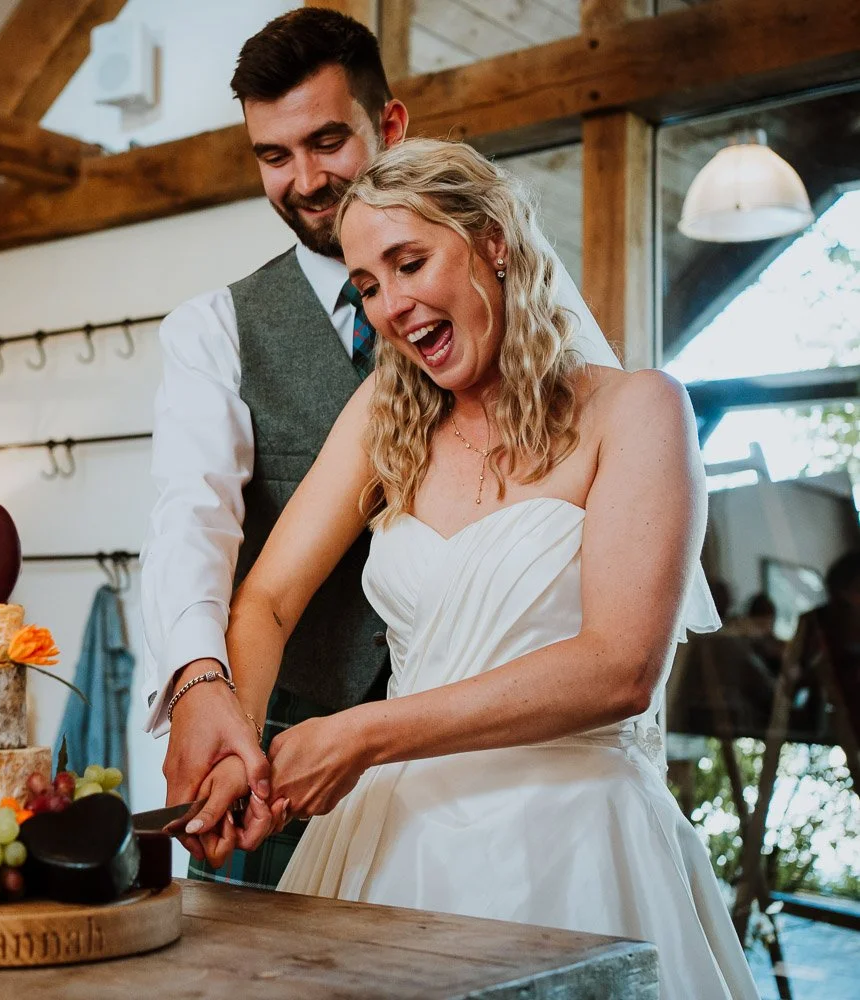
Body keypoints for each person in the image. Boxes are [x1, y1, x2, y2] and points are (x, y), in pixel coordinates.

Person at [221, 137, 757, 999]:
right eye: (367, 284)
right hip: (387, 841)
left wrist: (361, 734)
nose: (390, 305)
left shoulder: (639, 410)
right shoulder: (381, 416)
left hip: (575, 843)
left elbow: (618, 667)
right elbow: (270, 600)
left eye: (409, 262)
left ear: (493, 242)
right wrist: (238, 747)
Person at [138, 6, 618, 886]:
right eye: (273, 156)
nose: (306, 180)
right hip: (297, 774)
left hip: (544, 791)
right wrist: (207, 688)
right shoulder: (216, 331)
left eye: (326, 141)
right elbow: (190, 521)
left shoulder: (571, 351)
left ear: (389, 125)